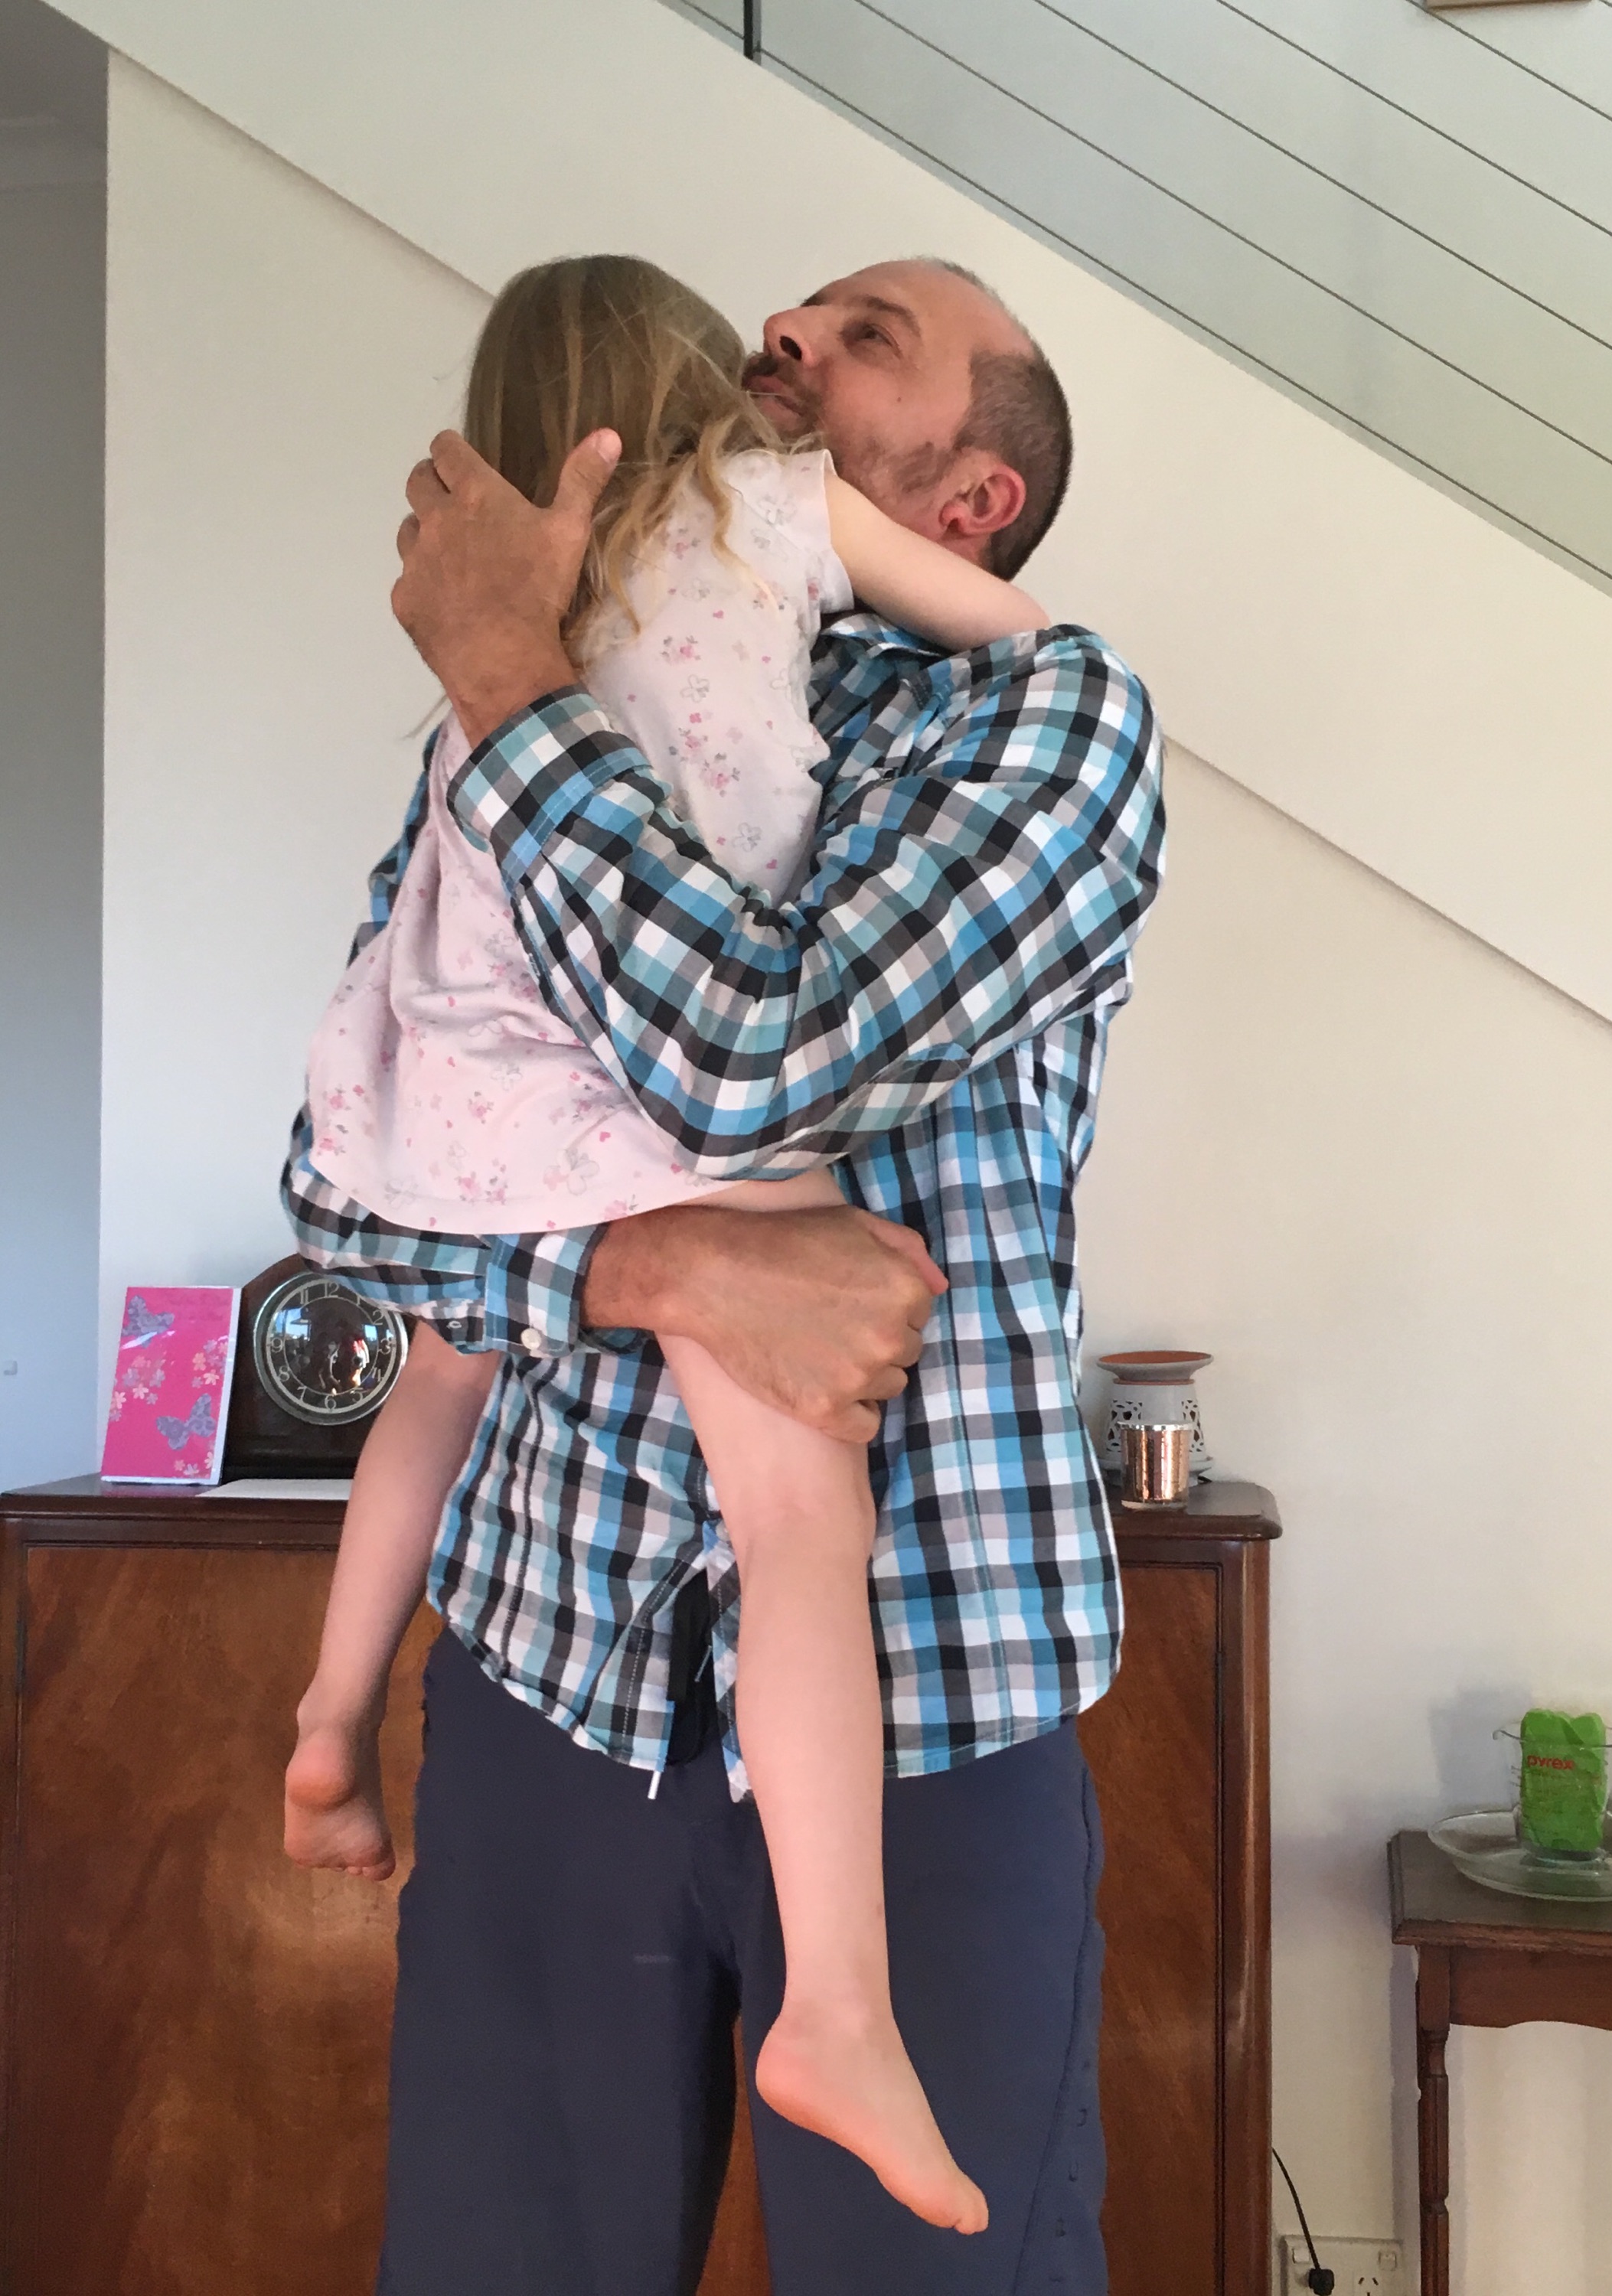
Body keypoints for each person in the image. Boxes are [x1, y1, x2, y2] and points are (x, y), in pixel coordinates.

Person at [282, 256, 1164, 2296]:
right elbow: (344, 1189)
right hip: (544, 1682)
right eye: (792, 318)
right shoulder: (544, 698)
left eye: (868, 340)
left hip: (931, 1712)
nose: (789, 339)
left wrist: (516, 696)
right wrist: (657, 1269)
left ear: (973, 503)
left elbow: (757, 1061)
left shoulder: (1045, 719)